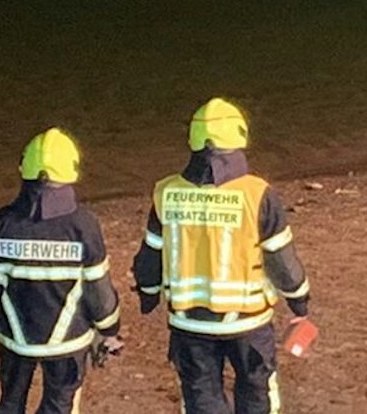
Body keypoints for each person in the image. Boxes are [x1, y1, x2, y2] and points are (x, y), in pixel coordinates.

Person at [133, 99, 312, 414]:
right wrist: (299, 302)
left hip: (189, 324)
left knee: (201, 399)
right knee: (257, 394)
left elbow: (150, 259)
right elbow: (282, 261)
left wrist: (148, 297)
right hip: (249, 321)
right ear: (240, 137)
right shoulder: (258, 194)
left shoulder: (166, 192)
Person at [0, 129, 122, 414]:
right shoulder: (83, 226)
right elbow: (99, 294)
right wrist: (109, 330)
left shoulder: (2, 223)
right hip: (68, 342)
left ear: (23, 169)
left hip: (15, 340)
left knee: (6, 403)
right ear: (72, 171)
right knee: (59, 405)